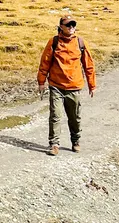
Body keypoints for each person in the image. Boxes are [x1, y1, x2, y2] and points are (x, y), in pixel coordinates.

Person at [37, 15, 96, 157]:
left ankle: (75, 141)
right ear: (61, 27)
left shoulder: (80, 42)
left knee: (74, 116)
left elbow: (88, 65)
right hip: (56, 85)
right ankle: (54, 144)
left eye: (73, 25)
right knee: (55, 115)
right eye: (68, 25)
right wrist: (41, 82)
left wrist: (91, 85)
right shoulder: (54, 42)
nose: (71, 27)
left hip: (74, 86)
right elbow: (45, 63)